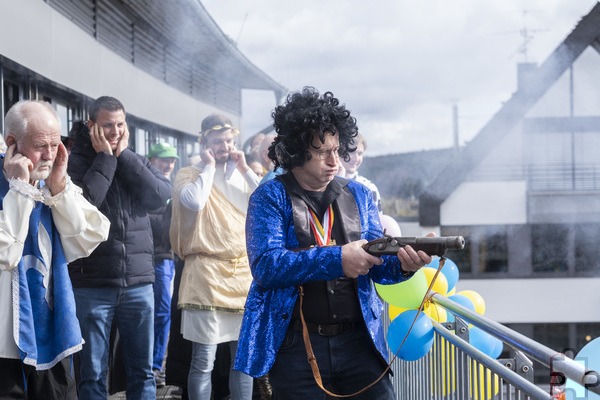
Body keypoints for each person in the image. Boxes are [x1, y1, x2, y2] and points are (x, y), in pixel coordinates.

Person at [234, 87, 432, 399]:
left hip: (358, 343)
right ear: (298, 151)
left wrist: (406, 265)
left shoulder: (360, 195)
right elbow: (266, 267)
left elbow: (379, 269)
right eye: (323, 151)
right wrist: (338, 259)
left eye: (337, 150)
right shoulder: (269, 196)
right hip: (295, 346)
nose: (335, 161)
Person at [0, 100, 110, 399]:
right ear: (12, 143)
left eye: (55, 144)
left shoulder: (51, 182)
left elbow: (90, 236)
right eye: (40, 146)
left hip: (50, 330)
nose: (50, 154)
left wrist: (60, 188)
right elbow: (5, 253)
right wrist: (19, 189)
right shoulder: (17, 184)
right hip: (4, 341)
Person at [67, 96, 172, 400]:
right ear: (91, 126)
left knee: (143, 373)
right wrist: (106, 158)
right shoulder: (75, 163)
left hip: (138, 282)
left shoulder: (133, 158)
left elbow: (160, 195)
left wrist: (123, 155)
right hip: (92, 284)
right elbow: (85, 204)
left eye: (120, 124)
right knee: (93, 374)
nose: (115, 131)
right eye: (107, 125)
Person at [169, 113, 259, 399]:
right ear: (204, 142)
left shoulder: (243, 176)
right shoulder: (189, 175)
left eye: (229, 141)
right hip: (205, 275)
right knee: (203, 360)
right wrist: (208, 166)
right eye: (218, 141)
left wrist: (244, 169)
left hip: (241, 277)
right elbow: (194, 201)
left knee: (242, 361)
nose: (225, 147)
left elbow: (265, 201)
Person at [147, 142, 179, 387]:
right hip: (143, 259)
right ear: (152, 160)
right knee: (144, 313)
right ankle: (146, 365)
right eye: (163, 159)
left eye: (172, 160)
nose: (168, 164)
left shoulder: (177, 187)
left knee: (162, 312)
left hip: (165, 259)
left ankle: (156, 366)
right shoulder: (144, 184)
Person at [338, 133, 382, 213]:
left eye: (360, 153)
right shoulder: (323, 184)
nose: (356, 158)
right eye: (351, 152)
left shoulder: (369, 188)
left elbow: (377, 223)